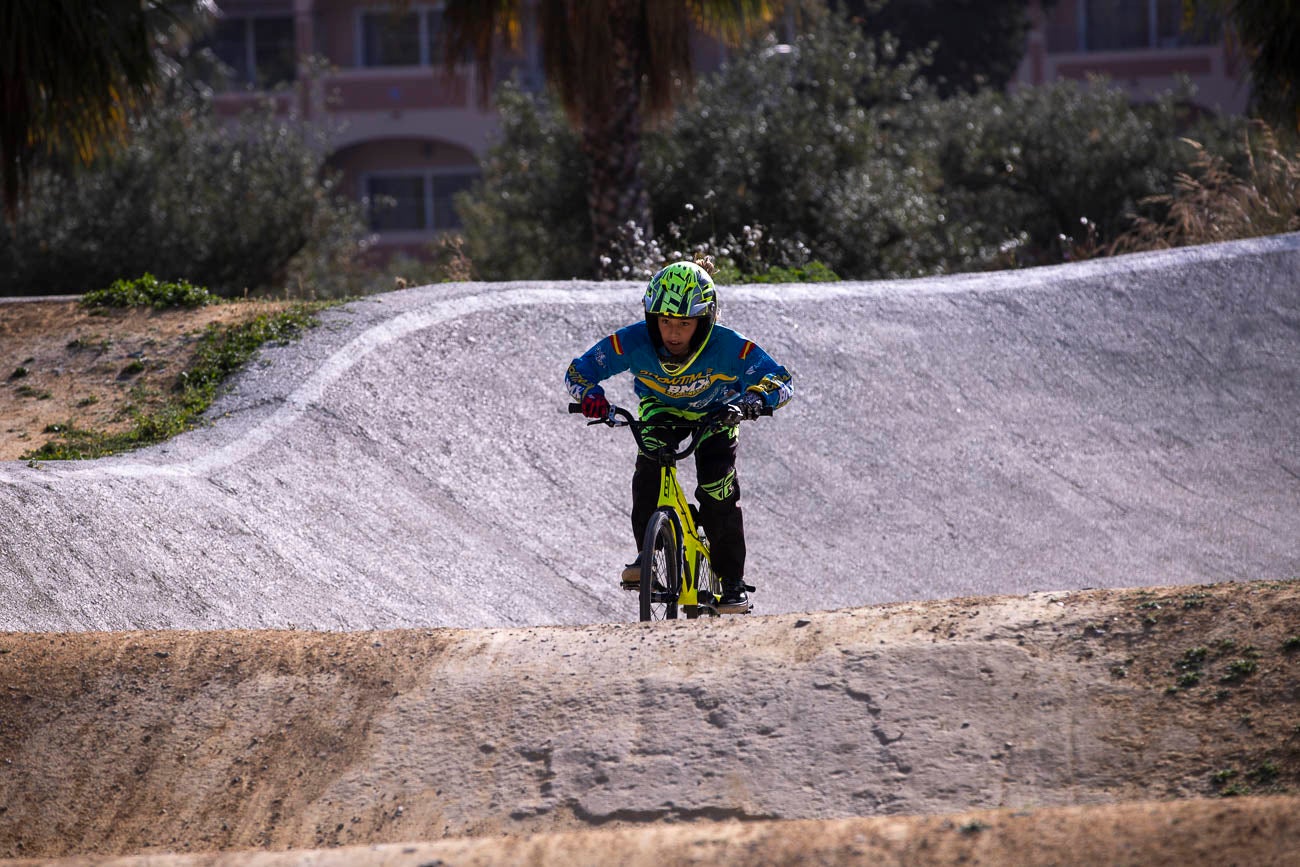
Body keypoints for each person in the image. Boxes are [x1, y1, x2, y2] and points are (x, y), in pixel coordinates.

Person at [565, 256, 794, 613]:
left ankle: (732, 582)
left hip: (719, 413)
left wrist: (755, 399)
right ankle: (647, 555)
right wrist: (591, 397)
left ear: (704, 322)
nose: (672, 333)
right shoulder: (632, 341)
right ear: (651, 318)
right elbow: (579, 372)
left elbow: (782, 380)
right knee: (648, 471)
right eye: (665, 321)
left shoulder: (730, 346)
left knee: (718, 489)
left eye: (684, 323)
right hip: (662, 411)